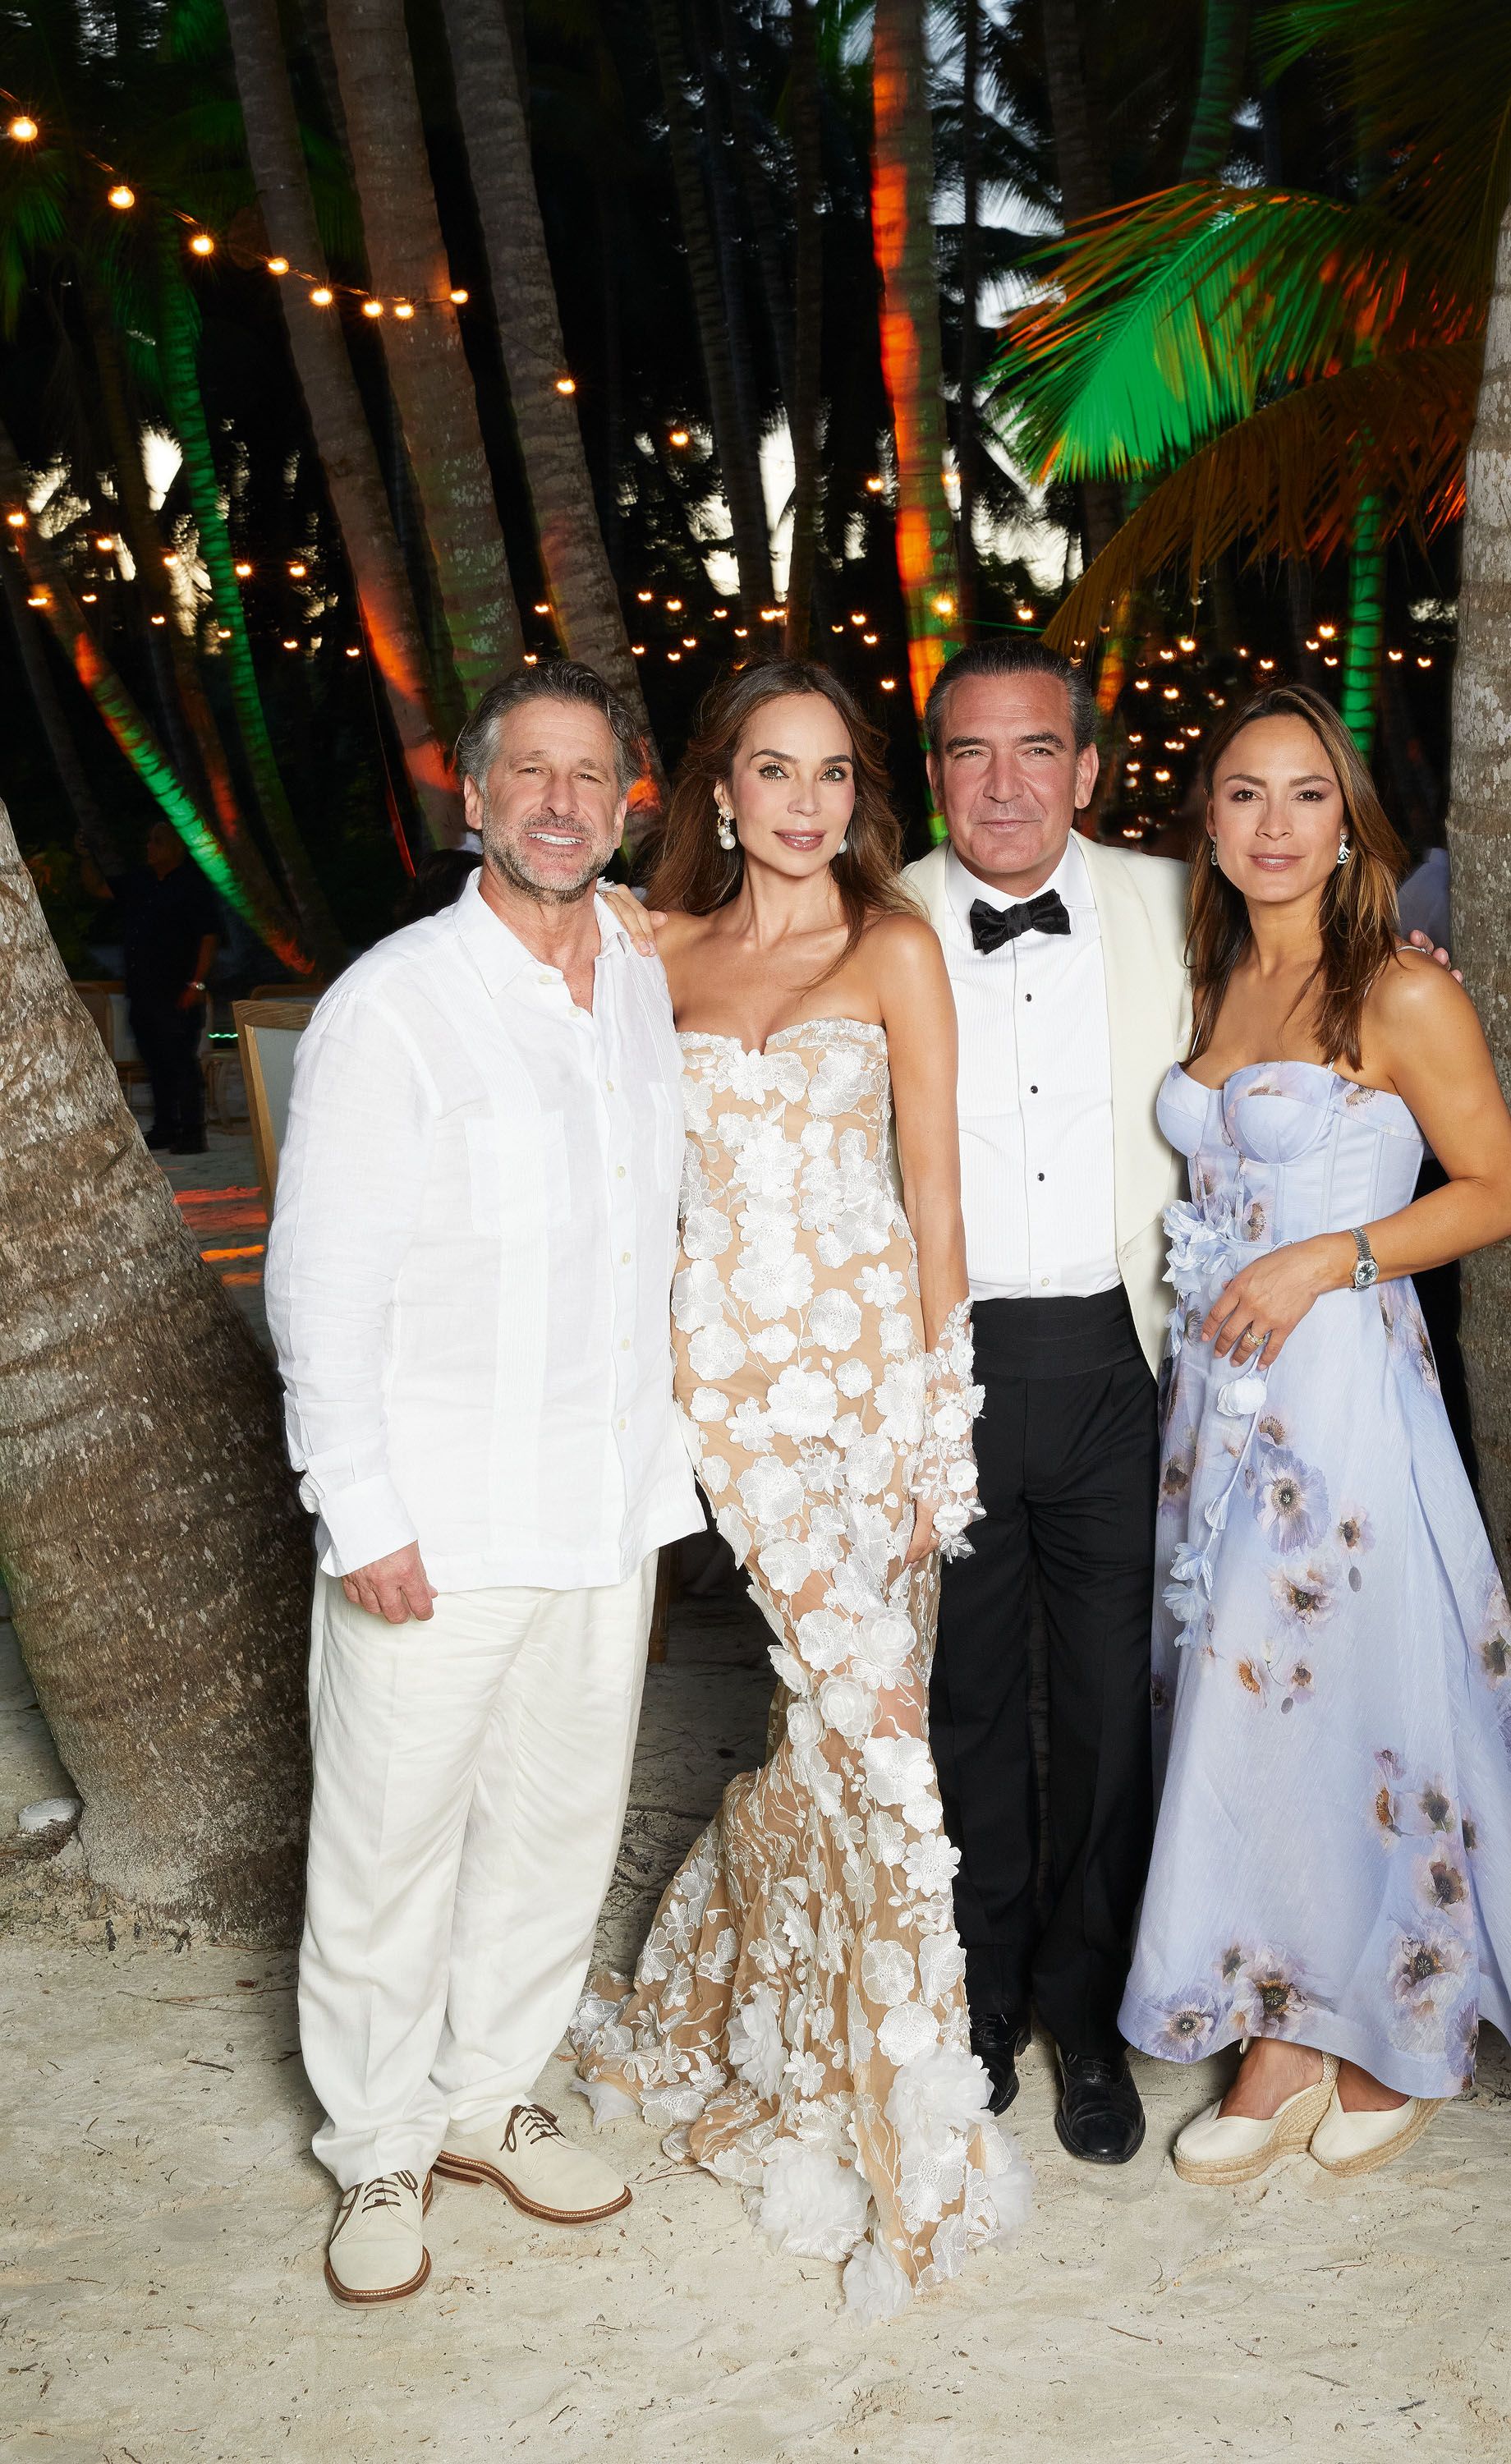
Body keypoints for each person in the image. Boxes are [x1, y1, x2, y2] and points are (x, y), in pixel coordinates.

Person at [1121, 683, 1511, 2182]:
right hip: (1214, 1412)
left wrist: (1321, 1257)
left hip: (1340, 1398)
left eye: (1306, 795)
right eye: (1244, 796)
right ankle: (1274, 2019)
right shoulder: (1208, 978)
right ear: (1207, 825)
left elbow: (1497, 1192)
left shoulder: (1401, 989)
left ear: (1351, 820)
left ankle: (1387, 2020)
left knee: (1354, 1700)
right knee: (1237, 1705)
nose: (1275, 826)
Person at [572, 661, 1028, 2319]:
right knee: (883, 1737)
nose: (805, 801)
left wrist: (934, 1435)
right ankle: (913, 2115)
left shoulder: (895, 947)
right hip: (737, 1403)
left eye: (832, 772)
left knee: (827, 1736)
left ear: (858, 794)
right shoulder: (657, 951)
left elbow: (934, 1194)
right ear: (718, 791)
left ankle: (726, 1987)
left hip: (876, 1406)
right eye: (774, 770)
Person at [265, 660, 703, 2305]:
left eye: (592, 777)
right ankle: (377, 2151)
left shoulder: (645, 985)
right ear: (473, 795)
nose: (562, 803)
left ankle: (484, 2099)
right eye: (532, 773)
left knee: (554, 1825)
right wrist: (357, 1508)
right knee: (386, 1842)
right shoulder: (397, 1001)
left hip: (601, 1510)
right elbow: (320, 1280)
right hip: (435, 1520)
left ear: (626, 798)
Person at [900, 638, 1190, 2168]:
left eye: (1034, 753)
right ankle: (975, 1993)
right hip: (942, 1367)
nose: (1000, 784)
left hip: (1118, 1361)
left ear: (1088, 771)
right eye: (966, 752)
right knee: (959, 1703)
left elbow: (1317, 986)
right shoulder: (871, 919)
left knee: (1103, 1709)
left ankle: (1087, 2005)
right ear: (933, 769)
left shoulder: (1173, 902)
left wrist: (1413, 967)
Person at [80, 820, 218, 1154]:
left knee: (181, 1060)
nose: (150, 847)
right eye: (149, 841)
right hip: (143, 989)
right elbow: (98, 888)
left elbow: (209, 937)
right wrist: (85, 855)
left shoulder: (193, 885)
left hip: (178, 989)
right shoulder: (140, 881)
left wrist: (197, 983)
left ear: (175, 847)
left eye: (157, 842)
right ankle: (165, 1127)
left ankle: (192, 1131)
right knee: (155, 1061)